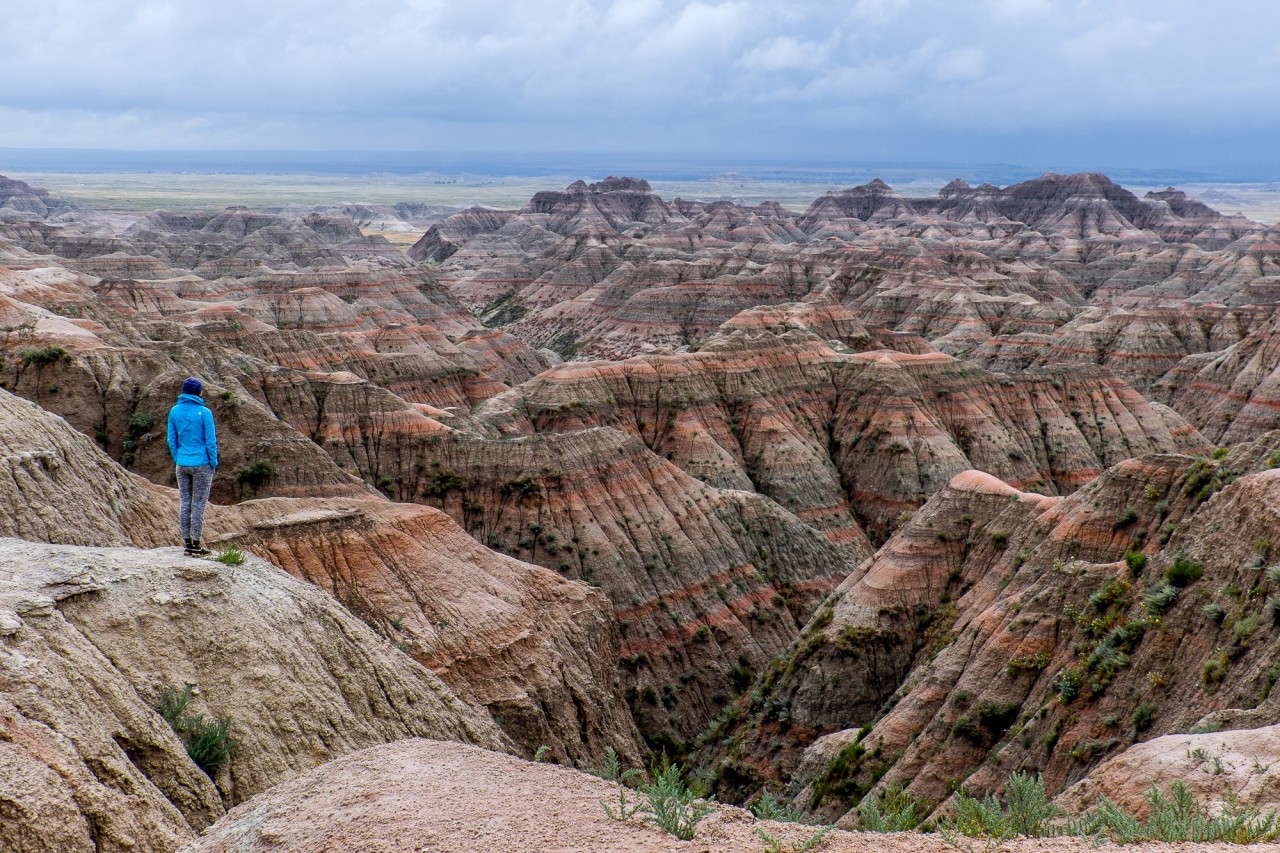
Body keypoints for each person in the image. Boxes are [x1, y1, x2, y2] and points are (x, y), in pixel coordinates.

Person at [167, 376, 218, 556]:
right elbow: (211, 441)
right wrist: (214, 462)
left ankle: (186, 543)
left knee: (185, 501)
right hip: (202, 463)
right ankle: (196, 543)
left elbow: (171, 439)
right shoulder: (205, 413)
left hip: (182, 463)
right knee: (198, 504)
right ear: (199, 392)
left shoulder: (174, 411)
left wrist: (178, 457)